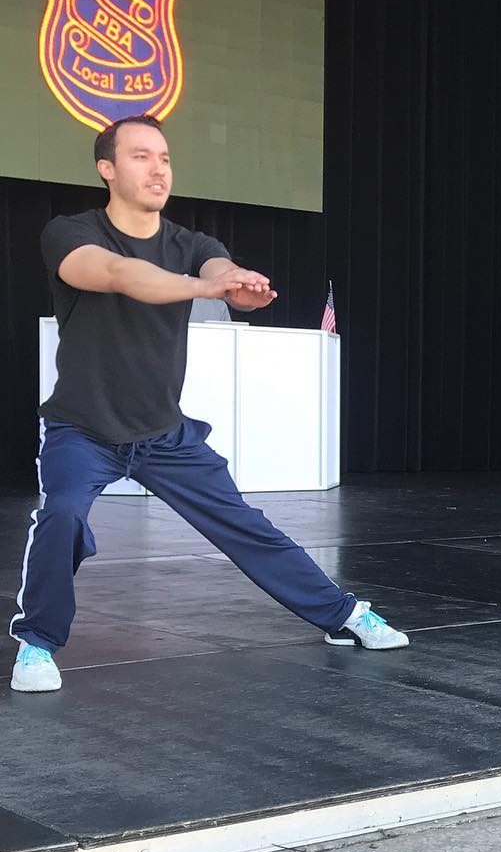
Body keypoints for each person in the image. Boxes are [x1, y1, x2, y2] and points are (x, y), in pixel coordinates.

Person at [8, 115, 408, 693]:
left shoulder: (190, 243)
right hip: (83, 429)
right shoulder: (70, 233)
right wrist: (207, 288)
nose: (158, 168)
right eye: (142, 156)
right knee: (63, 514)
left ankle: (343, 615)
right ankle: (38, 644)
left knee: (244, 525)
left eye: (165, 158)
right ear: (107, 169)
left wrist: (236, 279)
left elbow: (219, 268)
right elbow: (121, 275)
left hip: (165, 434)